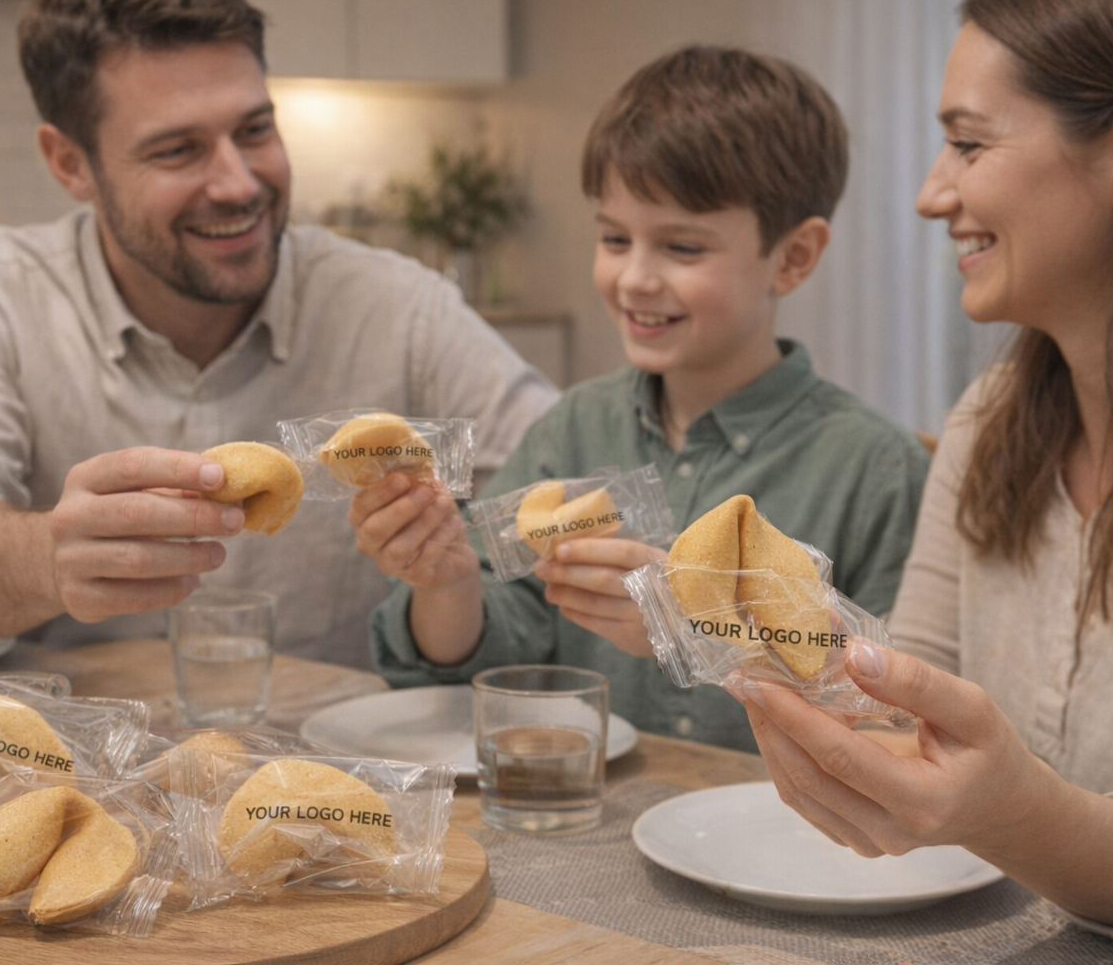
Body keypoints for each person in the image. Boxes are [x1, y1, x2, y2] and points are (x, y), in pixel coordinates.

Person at [734, 0, 1113, 954]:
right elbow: (906, 700)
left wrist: (1007, 809)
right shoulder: (990, 422)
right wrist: (748, 637)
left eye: (969, 145)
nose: (934, 195)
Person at [0, 0, 557, 668]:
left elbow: (565, 476)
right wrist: (48, 558)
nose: (239, 184)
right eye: (178, 150)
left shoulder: (399, 309)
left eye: (254, 130)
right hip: (75, 769)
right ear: (70, 163)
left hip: (337, 762)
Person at [360, 47, 931, 752]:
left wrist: (699, 637)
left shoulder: (873, 468)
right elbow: (480, 658)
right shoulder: (572, 428)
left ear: (793, 257)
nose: (633, 278)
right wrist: (446, 584)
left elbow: (893, 718)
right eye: (613, 238)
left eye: (682, 248)